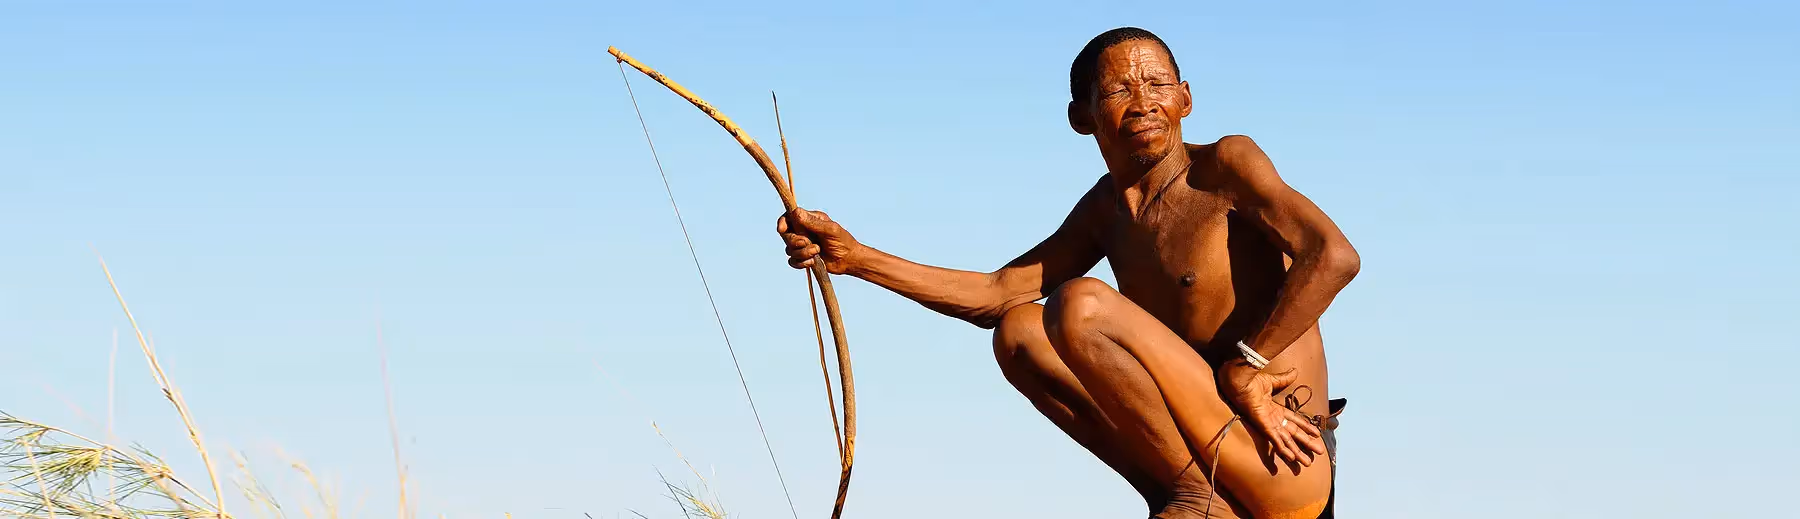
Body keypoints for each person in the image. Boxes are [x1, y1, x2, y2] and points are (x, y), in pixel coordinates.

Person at [776, 27, 1359, 519]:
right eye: (1118, 89)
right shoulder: (1106, 211)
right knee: (1020, 332)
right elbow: (996, 295)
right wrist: (855, 259)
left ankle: (1195, 493)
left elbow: (1334, 255)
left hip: (1283, 454)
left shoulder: (1225, 166)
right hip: (1208, 451)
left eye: (1157, 85)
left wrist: (1249, 366)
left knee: (1079, 302)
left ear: (1185, 99)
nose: (1142, 102)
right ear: (1081, 117)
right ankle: (1187, 489)